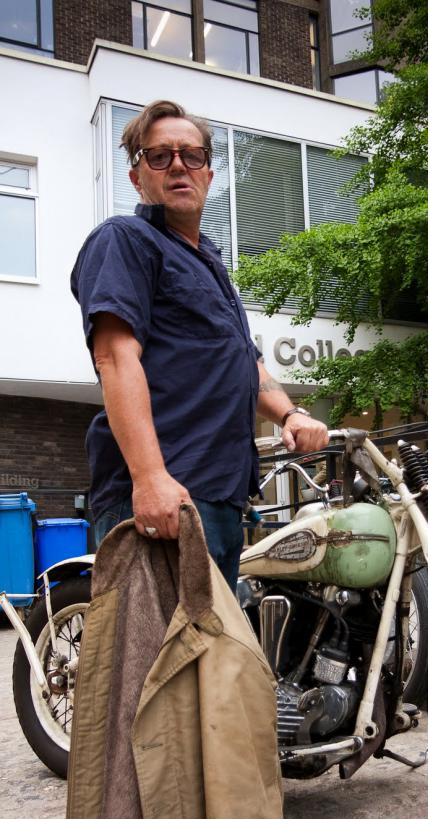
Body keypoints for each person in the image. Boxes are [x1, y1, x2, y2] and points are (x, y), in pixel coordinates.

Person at [71, 99, 328, 589]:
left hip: (223, 497)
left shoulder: (209, 262)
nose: (177, 166)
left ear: (209, 173)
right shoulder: (125, 239)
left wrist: (291, 415)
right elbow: (114, 356)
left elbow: (244, 363)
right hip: (167, 493)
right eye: (159, 156)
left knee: (211, 661)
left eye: (191, 155)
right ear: (137, 177)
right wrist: (149, 479)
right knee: (163, 663)